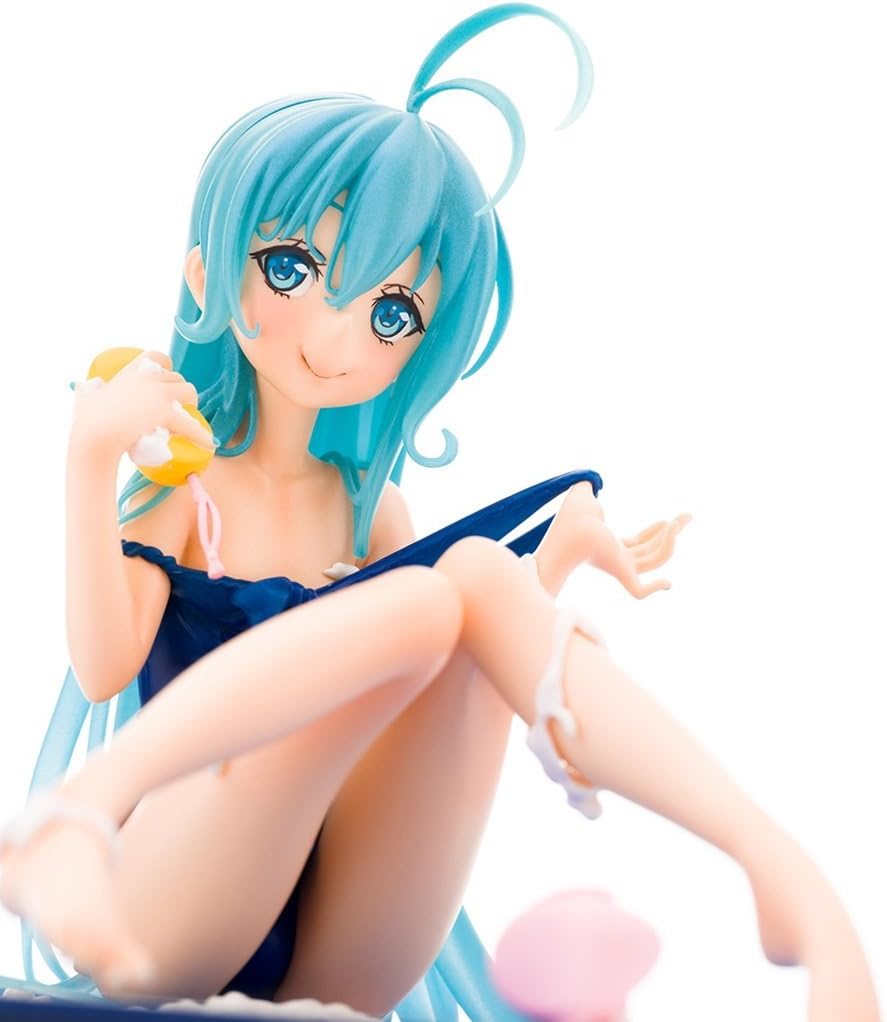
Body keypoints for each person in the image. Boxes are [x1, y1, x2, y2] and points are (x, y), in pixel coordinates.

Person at [0, 5, 880, 1021]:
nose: (336, 337)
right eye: (292, 268)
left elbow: (438, 687)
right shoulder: (183, 492)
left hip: (337, 946)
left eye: (391, 312)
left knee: (464, 584)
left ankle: (778, 870)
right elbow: (104, 666)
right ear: (207, 271)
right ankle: (75, 816)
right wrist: (88, 461)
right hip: (168, 902)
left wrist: (541, 573)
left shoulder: (367, 510)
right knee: (428, 597)